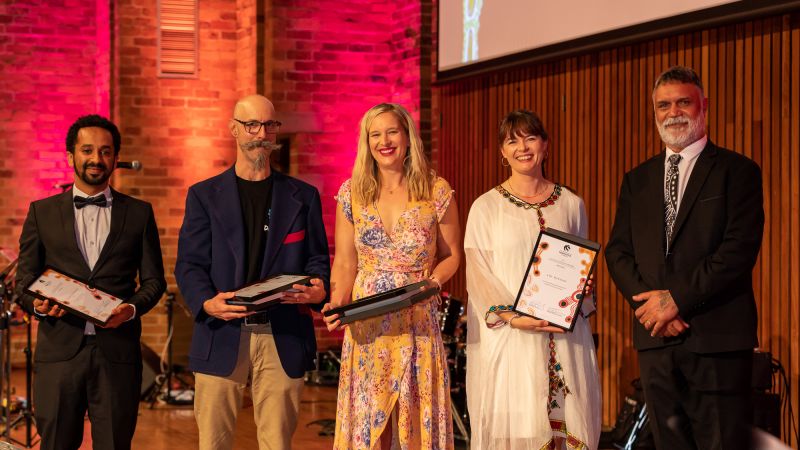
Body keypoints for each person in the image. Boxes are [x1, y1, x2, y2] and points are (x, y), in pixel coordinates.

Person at [605, 66, 765, 450]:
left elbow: (738, 250)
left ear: (703, 106)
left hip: (717, 341)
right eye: (663, 105)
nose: (673, 112)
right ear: (654, 111)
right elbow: (618, 252)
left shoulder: (737, 171)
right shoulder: (636, 179)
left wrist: (674, 300)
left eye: (683, 102)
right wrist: (650, 307)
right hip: (656, 342)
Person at [174, 94, 330, 450]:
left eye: (269, 125)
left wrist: (319, 290)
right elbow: (189, 264)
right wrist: (206, 303)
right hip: (222, 331)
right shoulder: (203, 195)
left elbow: (318, 260)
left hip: (283, 335)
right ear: (234, 130)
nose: (262, 133)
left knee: (277, 443)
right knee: (214, 443)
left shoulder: (303, 196)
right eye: (252, 125)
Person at [15, 114, 166, 450]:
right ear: (71, 156)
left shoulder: (139, 213)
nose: (97, 159)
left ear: (114, 157)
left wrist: (128, 310)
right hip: (59, 354)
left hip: (118, 356)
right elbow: (25, 280)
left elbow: (154, 281)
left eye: (106, 151)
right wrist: (36, 305)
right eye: (87, 150)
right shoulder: (42, 212)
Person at [322, 103, 461, 449]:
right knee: (372, 423)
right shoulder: (352, 193)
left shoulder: (435, 189)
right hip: (367, 324)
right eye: (375, 134)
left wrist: (433, 283)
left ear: (407, 137)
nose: (384, 141)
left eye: (392, 132)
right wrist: (337, 303)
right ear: (366, 143)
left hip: (416, 319)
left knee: (412, 416)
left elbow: (452, 256)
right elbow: (344, 262)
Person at [463, 109, 601, 450]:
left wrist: (583, 285)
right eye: (512, 140)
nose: (522, 147)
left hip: (564, 339)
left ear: (546, 146)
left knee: (567, 429)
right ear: (502, 152)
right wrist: (514, 317)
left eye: (530, 137)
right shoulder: (486, 207)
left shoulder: (571, 204)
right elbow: (478, 274)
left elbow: (579, 260)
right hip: (512, 340)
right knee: (520, 428)